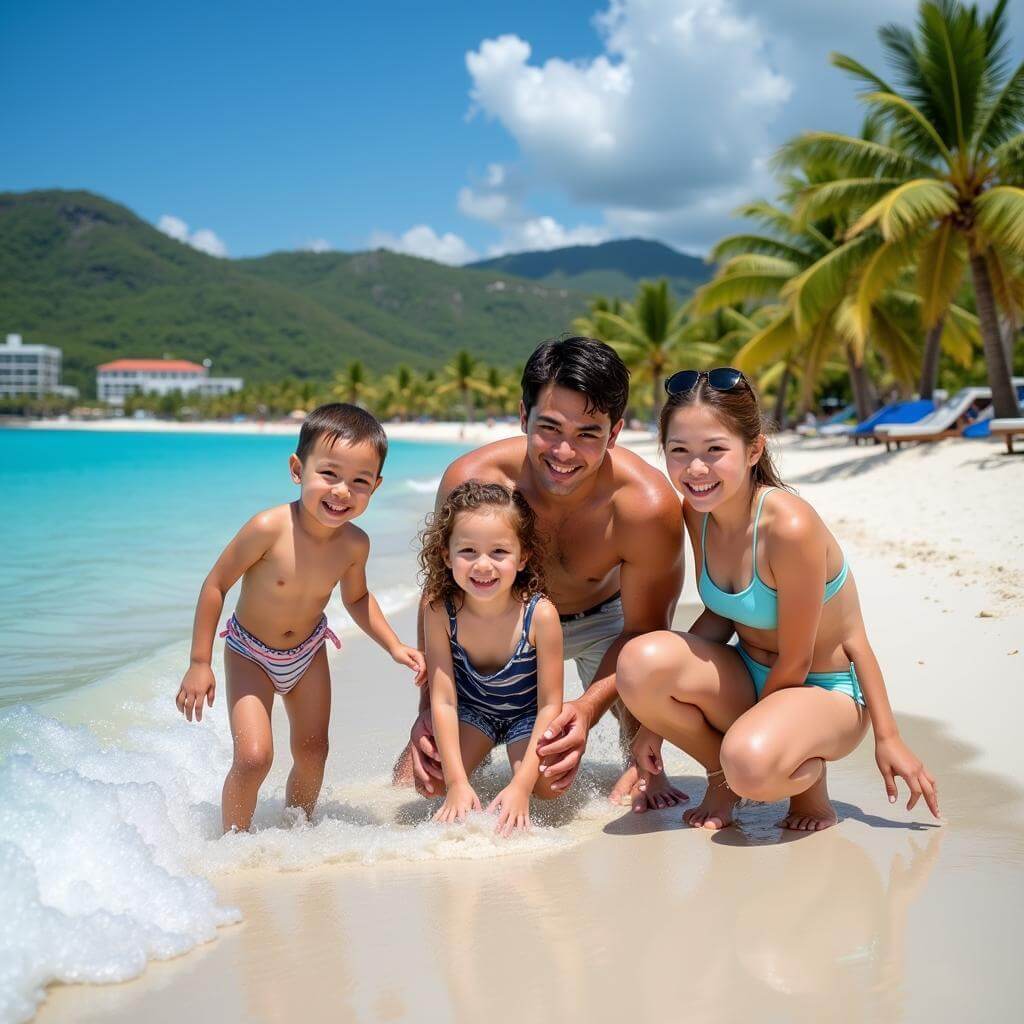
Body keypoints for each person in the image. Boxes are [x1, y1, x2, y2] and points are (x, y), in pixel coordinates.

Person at [618, 368, 940, 830]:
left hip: (824, 689)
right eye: (679, 451)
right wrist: (655, 722)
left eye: (715, 450)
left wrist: (887, 737)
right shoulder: (697, 512)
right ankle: (724, 771)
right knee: (639, 664)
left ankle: (800, 790)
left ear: (753, 449)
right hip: (750, 672)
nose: (696, 469)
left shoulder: (789, 527)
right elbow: (722, 612)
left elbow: (802, 657)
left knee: (748, 763)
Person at [394, 336, 687, 812]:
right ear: (522, 416)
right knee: (417, 782)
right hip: (496, 624)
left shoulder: (646, 507)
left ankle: (638, 753)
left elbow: (645, 631)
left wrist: (586, 709)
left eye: (588, 434)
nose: (565, 452)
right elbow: (442, 595)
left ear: (614, 434)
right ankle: (482, 739)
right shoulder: (473, 480)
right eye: (549, 428)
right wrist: (428, 712)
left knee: (635, 782)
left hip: (605, 626)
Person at [175, 403, 426, 832]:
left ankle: (297, 830)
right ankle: (232, 841)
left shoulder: (354, 545)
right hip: (249, 653)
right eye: (329, 474)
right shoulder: (268, 527)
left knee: (313, 751)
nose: (342, 491)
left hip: (308, 653)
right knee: (255, 757)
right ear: (297, 469)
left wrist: (394, 645)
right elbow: (216, 585)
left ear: (376, 487)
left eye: (359, 482)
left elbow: (358, 598)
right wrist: (200, 662)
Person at [420, 480, 563, 834]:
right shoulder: (440, 611)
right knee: (429, 785)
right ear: (446, 554)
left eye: (499, 552)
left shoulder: (539, 615)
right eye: (468, 550)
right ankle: (474, 761)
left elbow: (550, 705)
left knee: (547, 788)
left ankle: (515, 766)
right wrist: (455, 783)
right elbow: (444, 699)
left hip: (527, 717)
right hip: (473, 713)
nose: (483, 565)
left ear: (523, 556)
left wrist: (521, 786)